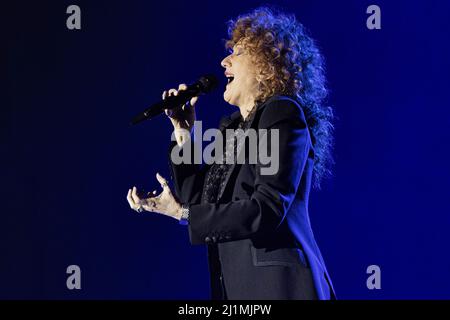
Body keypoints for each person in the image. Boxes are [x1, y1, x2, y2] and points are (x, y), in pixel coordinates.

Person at [127, 7, 335, 300]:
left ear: (267, 63)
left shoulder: (281, 112)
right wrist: (184, 131)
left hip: (280, 288)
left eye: (236, 52)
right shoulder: (232, 129)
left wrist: (182, 213)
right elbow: (199, 200)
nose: (224, 61)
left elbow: (267, 207)